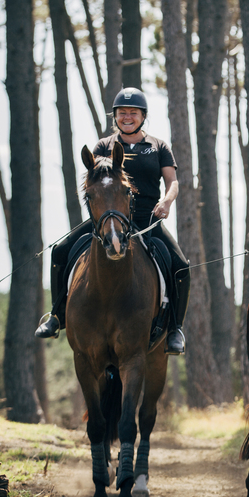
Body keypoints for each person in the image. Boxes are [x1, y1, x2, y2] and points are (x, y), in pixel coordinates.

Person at [35, 87, 190, 355]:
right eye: (122, 113)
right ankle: (57, 315)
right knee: (59, 251)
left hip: (146, 219)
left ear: (143, 116)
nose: (127, 117)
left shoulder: (158, 147)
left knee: (181, 266)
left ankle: (175, 328)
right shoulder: (103, 146)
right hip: (107, 220)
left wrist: (166, 201)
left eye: (133, 113)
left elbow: (172, 182)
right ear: (115, 116)